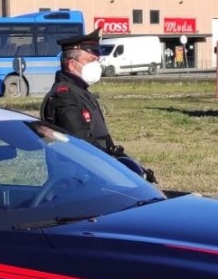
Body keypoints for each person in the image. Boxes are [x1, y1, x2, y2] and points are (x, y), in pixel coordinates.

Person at [41, 28, 155, 182]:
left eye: (97, 60)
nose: (97, 65)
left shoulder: (80, 91)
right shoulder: (64, 96)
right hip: (75, 181)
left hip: (93, 175)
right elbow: (81, 144)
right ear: (72, 65)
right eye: (90, 60)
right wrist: (112, 167)